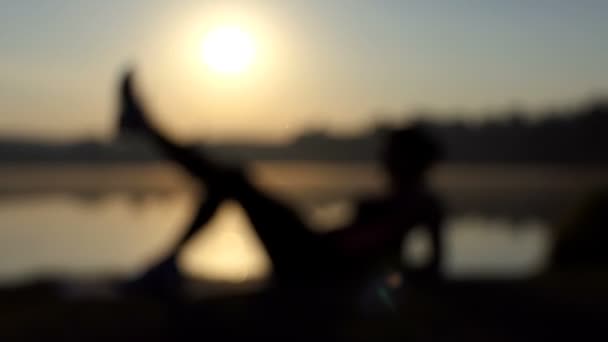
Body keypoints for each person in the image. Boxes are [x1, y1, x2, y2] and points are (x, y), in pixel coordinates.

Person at [120, 71, 444, 292]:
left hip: (313, 262)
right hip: (314, 247)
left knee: (233, 180)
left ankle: (146, 128)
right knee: (233, 180)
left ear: (411, 160)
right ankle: (147, 129)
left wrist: (375, 283)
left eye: (392, 152)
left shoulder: (421, 206)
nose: (384, 158)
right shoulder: (407, 202)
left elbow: (429, 269)